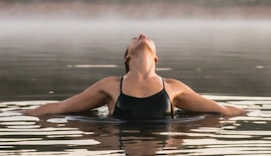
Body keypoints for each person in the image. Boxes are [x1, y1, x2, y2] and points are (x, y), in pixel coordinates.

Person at [22, 33, 247, 119]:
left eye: (145, 36)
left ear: (156, 58)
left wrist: (253, 112)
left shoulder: (172, 87)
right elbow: (62, 108)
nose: (141, 34)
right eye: (134, 37)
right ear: (127, 58)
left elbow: (220, 110)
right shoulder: (110, 86)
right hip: (121, 143)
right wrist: (15, 112)